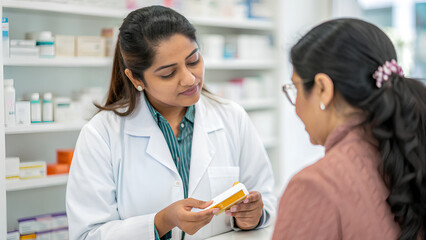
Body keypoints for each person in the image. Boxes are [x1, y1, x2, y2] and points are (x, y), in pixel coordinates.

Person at [66, 5, 276, 240]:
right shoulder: (101, 134)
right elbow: (87, 234)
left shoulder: (232, 117)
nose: (189, 79)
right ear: (136, 78)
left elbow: (265, 197)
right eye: (168, 73)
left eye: (193, 60)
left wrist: (253, 216)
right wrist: (161, 222)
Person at [273, 18, 426, 240]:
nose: (296, 107)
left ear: (323, 88)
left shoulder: (315, 187)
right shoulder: (410, 160)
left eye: (295, 89)